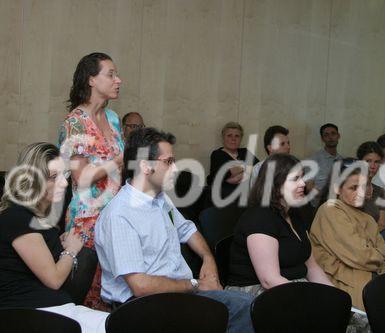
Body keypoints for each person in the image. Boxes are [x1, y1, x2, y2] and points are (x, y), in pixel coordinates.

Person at [95, 128, 254, 333]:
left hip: (177, 294)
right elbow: (140, 286)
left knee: (249, 305)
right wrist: (196, 284)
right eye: (168, 162)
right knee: (244, 307)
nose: (175, 168)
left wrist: (208, 259)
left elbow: (187, 229)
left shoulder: (160, 199)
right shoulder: (120, 214)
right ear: (145, 166)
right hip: (141, 307)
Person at [0, 143, 108, 332]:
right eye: (53, 177)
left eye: (65, 175)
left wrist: (57, 245)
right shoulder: (17, 217)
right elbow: (54, 279)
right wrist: (71, 249)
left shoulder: (38, 220)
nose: (65, 183)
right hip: (31, 314)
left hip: (52, 309)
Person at [58, 52, 124, 310]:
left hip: (114, 217)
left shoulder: (114, 118)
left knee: (110, 294)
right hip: (86, 220)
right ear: (91, 80)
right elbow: (81, 176)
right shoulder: (75, 123)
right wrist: (117, 162)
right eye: (111, 74)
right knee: (82, 295)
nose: (118, 80)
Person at [226, 153, 333, 296]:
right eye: (295, 179)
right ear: (275, 184)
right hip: (255, 293)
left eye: (302, 177)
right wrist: (309, 298)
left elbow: (312, 267)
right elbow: (269, 280)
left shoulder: (294, 215)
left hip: (290, 286)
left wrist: (336, 296)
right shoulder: (259, 218)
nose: (302, 183)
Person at [310, 166, 385, 311]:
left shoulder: (368, 219)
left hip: (372, 278)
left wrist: (382, 258)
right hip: (344, 284)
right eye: (353, 188)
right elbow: (360, 255)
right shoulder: (331, 209)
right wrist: (384, 261)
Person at [206, 122, 258, 203]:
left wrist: (235, 175)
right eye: (229, 135)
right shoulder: (217, 154)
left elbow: (259, 168)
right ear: (223, 138)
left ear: (241, 138)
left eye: (237, 136)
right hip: (226, 197)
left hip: (249, 195)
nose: (233, 139)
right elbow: (220, 175)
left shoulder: (245, 152)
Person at [306, 123, 343, 206]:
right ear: (322, 139)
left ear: (338, 136)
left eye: (333, 134)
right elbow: (309, 188)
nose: (330, 137)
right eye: (326, 135)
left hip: (339, 205)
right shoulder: (312, 161)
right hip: (319, 206)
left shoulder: (342, 160)